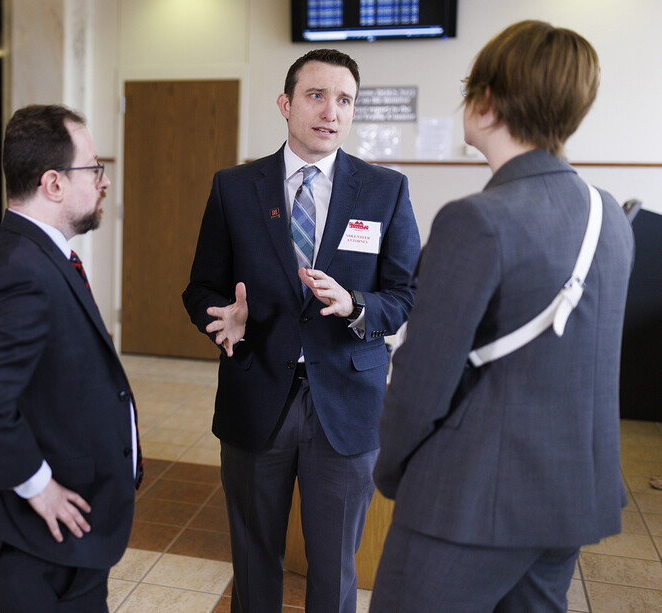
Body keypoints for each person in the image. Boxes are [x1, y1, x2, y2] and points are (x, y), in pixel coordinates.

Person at [371, 21, 634, 613]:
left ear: (487, 101)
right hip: (569, 498)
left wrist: (390, 473)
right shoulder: (610, 217)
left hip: (468, 502)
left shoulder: (477, 220)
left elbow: (421, 383)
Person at [183, 49, 421, 612]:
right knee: (254, 558)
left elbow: (404, 295)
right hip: (255, 390)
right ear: (286, 104)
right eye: (316, 96)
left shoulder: (385, 190)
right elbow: (201, 289)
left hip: (345, 399)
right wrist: (224, 320)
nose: (330, 111)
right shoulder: (234, 187)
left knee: (335, 564)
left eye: (344, 100)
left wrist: (357, 305)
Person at [0, 104, 140, 612]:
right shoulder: (24, 271)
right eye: (94, 168)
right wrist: (39, 486)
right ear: (53, 183)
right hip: (34, 534)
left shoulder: (29, 252)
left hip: (64, 534)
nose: (104, 182)